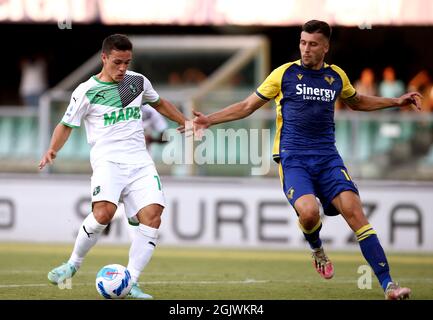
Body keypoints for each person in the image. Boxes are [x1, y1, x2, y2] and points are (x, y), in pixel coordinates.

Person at [193, 20, 422, 300]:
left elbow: (357, 101)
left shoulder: (336, 76)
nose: (306, 49)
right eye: (302, 43)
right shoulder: (284, 74)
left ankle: (389, 286)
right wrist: (208, 120)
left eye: (313, 44)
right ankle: (317, 250)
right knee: (310, 212)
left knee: (356, 214)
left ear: (325, 47)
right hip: (294, 159)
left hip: (328, 159)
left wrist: (396, 102)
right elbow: (246, 106)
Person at [38, 34, 188, 299]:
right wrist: (52, 149)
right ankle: (72, 264)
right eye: (117, 62)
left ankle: (131, 282)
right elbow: (66, 124)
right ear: (104, 58)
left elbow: (159, 103)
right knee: (104, 213)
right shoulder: (86, 90)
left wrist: (184, 120)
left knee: (152, 217)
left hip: (140, 162)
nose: (122, 69)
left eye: (127, 63)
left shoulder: (137, 82)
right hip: (108, 161)